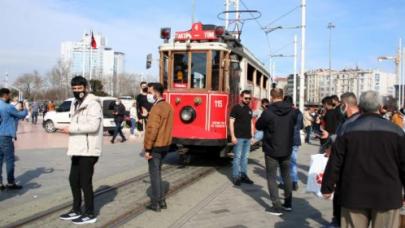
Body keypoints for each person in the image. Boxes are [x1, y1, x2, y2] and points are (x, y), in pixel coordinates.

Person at [321, 91, 405, 228]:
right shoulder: (396, 131)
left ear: (360, 106)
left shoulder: (346, 129)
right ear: (380, 106)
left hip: (354, 194)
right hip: (387, 195)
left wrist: (327, 186)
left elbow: (335, 161)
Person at [59, 76, 103, 224]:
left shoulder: (93, 104)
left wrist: (71, 129)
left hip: (89, 149)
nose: (77, 91)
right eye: (74, 89)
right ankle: (76, 209)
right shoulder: (75, 103)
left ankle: (90, 213)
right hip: (77, 148)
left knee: (85, 181)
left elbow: (93, 126)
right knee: (73, 180)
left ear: (86, 87)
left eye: (80, 88)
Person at [256, 88, 297, 216]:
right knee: (286, 176)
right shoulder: (292, 111)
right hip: (287, 149)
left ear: (272, 96)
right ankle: (288, 204)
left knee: (272, 177)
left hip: (271, 149)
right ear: (282, 96)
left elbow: (258, 126)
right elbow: (294, 124)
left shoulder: (268, 112)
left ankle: (276, 207)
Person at [324, 92, 360, 228]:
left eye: (340, 105)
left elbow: (342, 143)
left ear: (344, 105)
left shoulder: (350, 123)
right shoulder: (347, 120)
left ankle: (338, 222)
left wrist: (327, 186)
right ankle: (337, 220)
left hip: (348, 169)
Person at [143, 82, 173, 212]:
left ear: (156, 92)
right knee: (158, 172)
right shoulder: (168, 106)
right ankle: (162, 201)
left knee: (154, 174)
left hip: (155, 146)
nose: (148, 95)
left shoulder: (156, 108)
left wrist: (148, 148)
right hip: (165, 145)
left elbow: (152, 130)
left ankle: (156, 202)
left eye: (149, 92)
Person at [0, 88, 28, 191]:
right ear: (5, 95)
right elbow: (21, 115)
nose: (10, 97)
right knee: (9, 159)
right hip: (6, 136)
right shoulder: (8, 107)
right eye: (9, 95)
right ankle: (11, 183)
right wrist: (25, 107)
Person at [229, 90, 255, 186]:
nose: (247, 100)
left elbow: (251, 123)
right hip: (238, 137)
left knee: (245, 158)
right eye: (246, 98)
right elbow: (231, 122)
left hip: (247, 138)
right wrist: (233, 136)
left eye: (249, 98)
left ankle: (243, 175)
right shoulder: (236, 108)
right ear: (241, 97)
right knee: (237, 157)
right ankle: (236, 176)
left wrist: (252, 136)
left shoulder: (249, 110)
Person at [278, 95, 303, 191]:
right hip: (295, 140)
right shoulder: (298, 112)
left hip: (284, 140)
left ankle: (283, 182)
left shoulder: (282, 111)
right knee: (293, 162)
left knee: (282, 162)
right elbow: (301, 126)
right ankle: (294, 182)